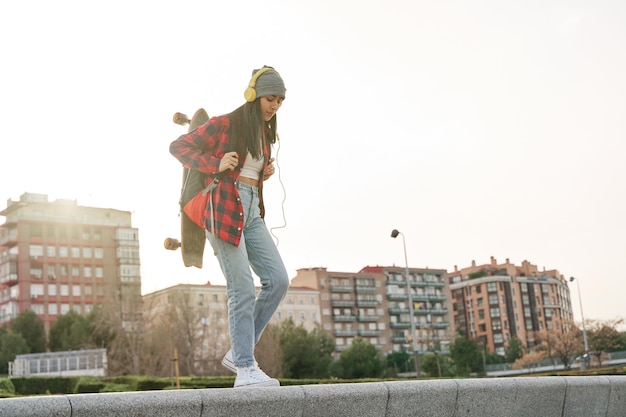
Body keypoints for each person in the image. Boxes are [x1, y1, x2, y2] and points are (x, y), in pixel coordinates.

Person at [169, 66, 289, 388]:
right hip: (222, 208)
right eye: (269, 98)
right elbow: (179, 147)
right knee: (242, 288)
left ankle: (239, 351)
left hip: (251, 211)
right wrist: (215, 163)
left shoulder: (264, 133)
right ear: (253, 95)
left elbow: (247, 172)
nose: (274, 106)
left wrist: (260, 172)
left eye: (279, 100)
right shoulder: (224, 123)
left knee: (278, 280)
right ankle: (245, 368)